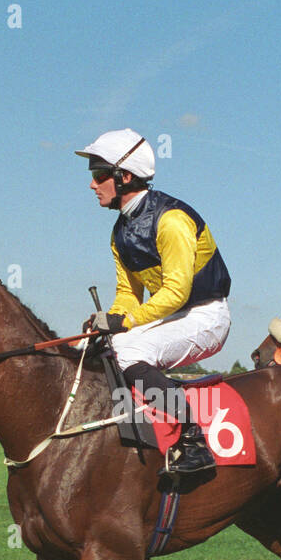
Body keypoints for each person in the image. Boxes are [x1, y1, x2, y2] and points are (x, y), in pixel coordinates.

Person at [76, 128, 231, 475]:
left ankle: (193, 438)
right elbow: (128, 294)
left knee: (128, 350)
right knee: (104, 347)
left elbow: (175, 293)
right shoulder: (120, 231)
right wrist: (109, 319)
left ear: (124, 176)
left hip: (206, 316)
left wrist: (124, 323)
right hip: (173, 317)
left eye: (99, 175)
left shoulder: (171, 220)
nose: (92, 185)